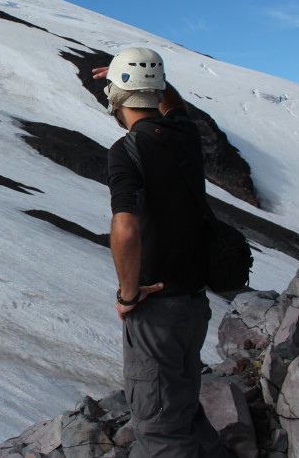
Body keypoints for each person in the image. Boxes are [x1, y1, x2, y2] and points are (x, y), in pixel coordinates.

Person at [94, 48, 224, 458]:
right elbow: (176, 106)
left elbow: (126, 230)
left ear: (114, 96)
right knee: (183, 401)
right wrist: (150, 81)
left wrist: (128, 295)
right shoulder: (184, 134)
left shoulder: (126, 150)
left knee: (159, 427)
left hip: (157, 307)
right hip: (195, 302)